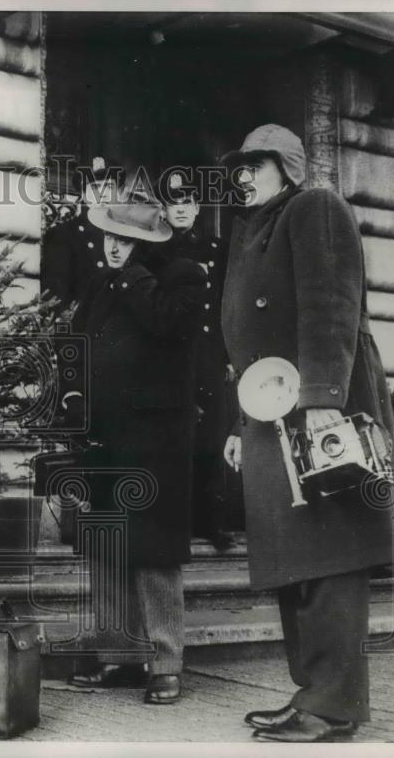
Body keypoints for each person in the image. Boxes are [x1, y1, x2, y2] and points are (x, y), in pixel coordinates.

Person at [219, 124, 394, 742]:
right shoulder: (257, 228)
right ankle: (313, 694)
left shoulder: (314, 208)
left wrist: (325, 399)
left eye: (254, 165)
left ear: (288, 167)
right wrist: (240, 424)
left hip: (316, 413)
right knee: (296, 561)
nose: (241, 176)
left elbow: (331, 304)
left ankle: (334, 705)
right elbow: (250, 345)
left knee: (329, 558)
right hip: (273, 416)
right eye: (238, 167)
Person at [63, 200, 207, 705]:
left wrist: (132, 278)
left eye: (124, 239)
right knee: (106, 548)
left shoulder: (183, 276)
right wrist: (74, 399)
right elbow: (77, 343)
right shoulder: (103, 282)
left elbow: (166, 325)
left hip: (156, 441)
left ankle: (166, 662)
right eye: (108, 236)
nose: (113, 246)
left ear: (148, 242)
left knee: (154, 552)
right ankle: (118, 656)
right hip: (106, 437)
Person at [154, 169, 237, 551]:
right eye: (174, 202)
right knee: (175, 438)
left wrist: (228, 354)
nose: (182, 208)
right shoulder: (155, 251)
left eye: (187, 201)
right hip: (172, 356)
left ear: (198, 206)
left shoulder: (217, 250)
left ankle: (213, 523)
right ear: (164, 209)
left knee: (213, 436)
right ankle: (178, 523)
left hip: (209, 354)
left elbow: (225, 305)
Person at [40, 155, 126, 314]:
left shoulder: (128, 237)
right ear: (83, 195)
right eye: (95, 188)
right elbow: (57, 301)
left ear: (119, 193)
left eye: (109, 187)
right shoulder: (63, 236)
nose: (103, 194)